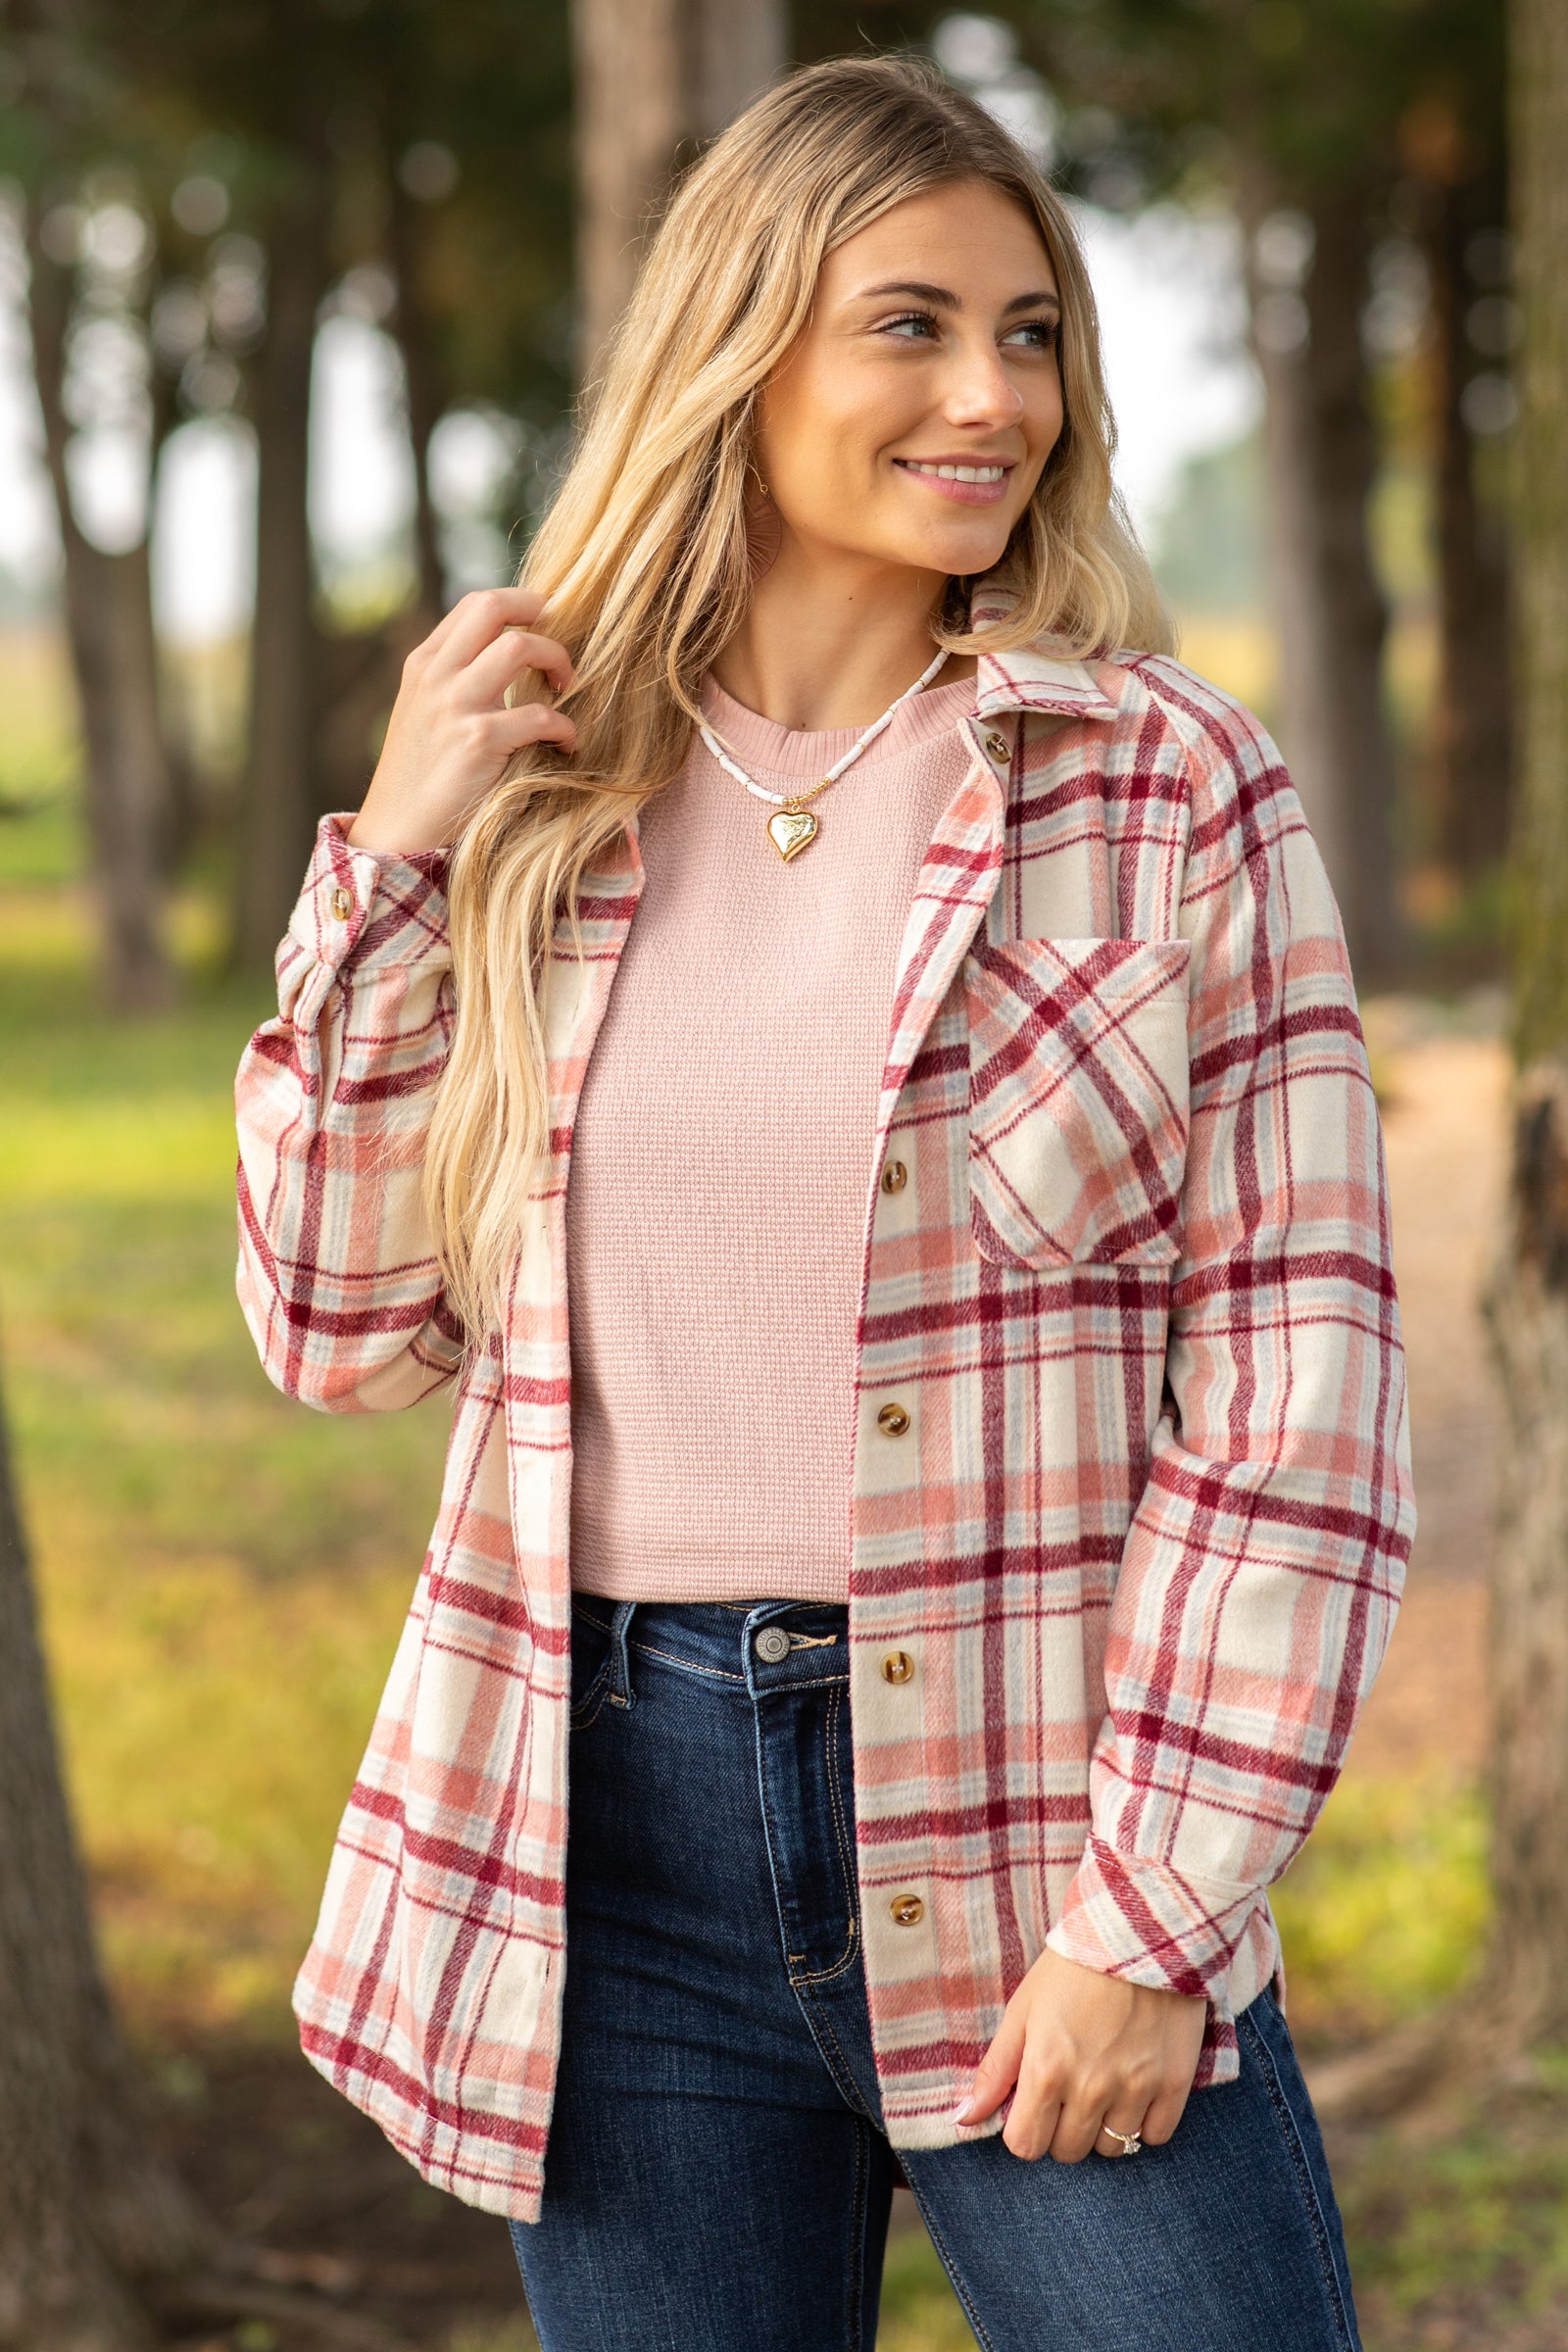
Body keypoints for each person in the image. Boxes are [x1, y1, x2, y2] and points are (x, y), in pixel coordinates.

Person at [234, 53, 1414, 2352]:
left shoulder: (1163, 791)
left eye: (1033, 332)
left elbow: (1296, 1399)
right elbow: (332, 1325)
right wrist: (386, 862)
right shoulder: (544, 808)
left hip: (1026, 1813)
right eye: (910, 325)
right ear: (739, 343)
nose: (993, 398)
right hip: (606, 1854)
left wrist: (1144, 1921)